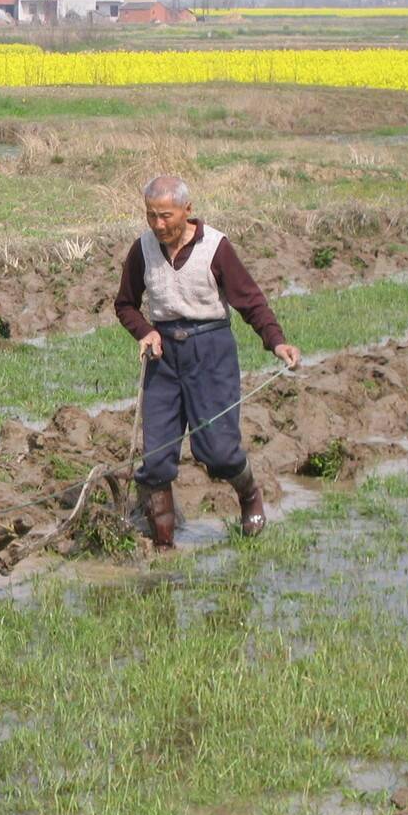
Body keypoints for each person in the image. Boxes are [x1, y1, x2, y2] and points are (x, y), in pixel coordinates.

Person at [114, 175, 301, 549]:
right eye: (150, 216)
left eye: (165, 216)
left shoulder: (216, 248)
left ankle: (249, 495)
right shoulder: (143, 250)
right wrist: (145, 332)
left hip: (210, 352)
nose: (158, 225)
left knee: (216, 452)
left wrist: (276, 342)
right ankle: (164, 544)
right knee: (156, 459)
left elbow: (251, 301)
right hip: (163, 357)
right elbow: (125, 304)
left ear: (188, 210)